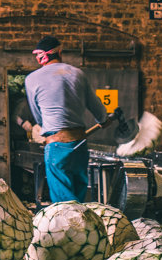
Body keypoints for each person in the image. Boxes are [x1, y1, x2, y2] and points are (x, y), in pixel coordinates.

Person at [25, 36, 108, 203]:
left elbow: (38, 116)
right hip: (80, 146)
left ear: (40, 57)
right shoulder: (78, 74)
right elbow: (98, 109)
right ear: (60, 52)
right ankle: (83, 227)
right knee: (78, 199)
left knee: (65, 204)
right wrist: (104, 119)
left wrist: (47, 126)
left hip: (56, 146)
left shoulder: (31, 79)